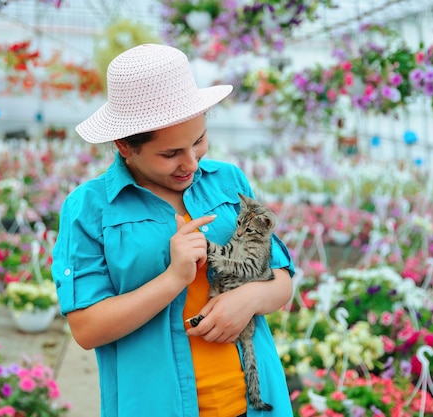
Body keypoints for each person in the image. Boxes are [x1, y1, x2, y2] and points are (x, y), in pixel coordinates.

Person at [52, 43, 295, 417]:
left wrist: (247, 300)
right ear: (124, 146)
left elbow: (281, 279)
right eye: (170, 154)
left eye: (198, 141)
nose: (191, 163)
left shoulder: (229, 182)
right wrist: (173, 278)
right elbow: (86, 328)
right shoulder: (89, 208)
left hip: (255, 401)